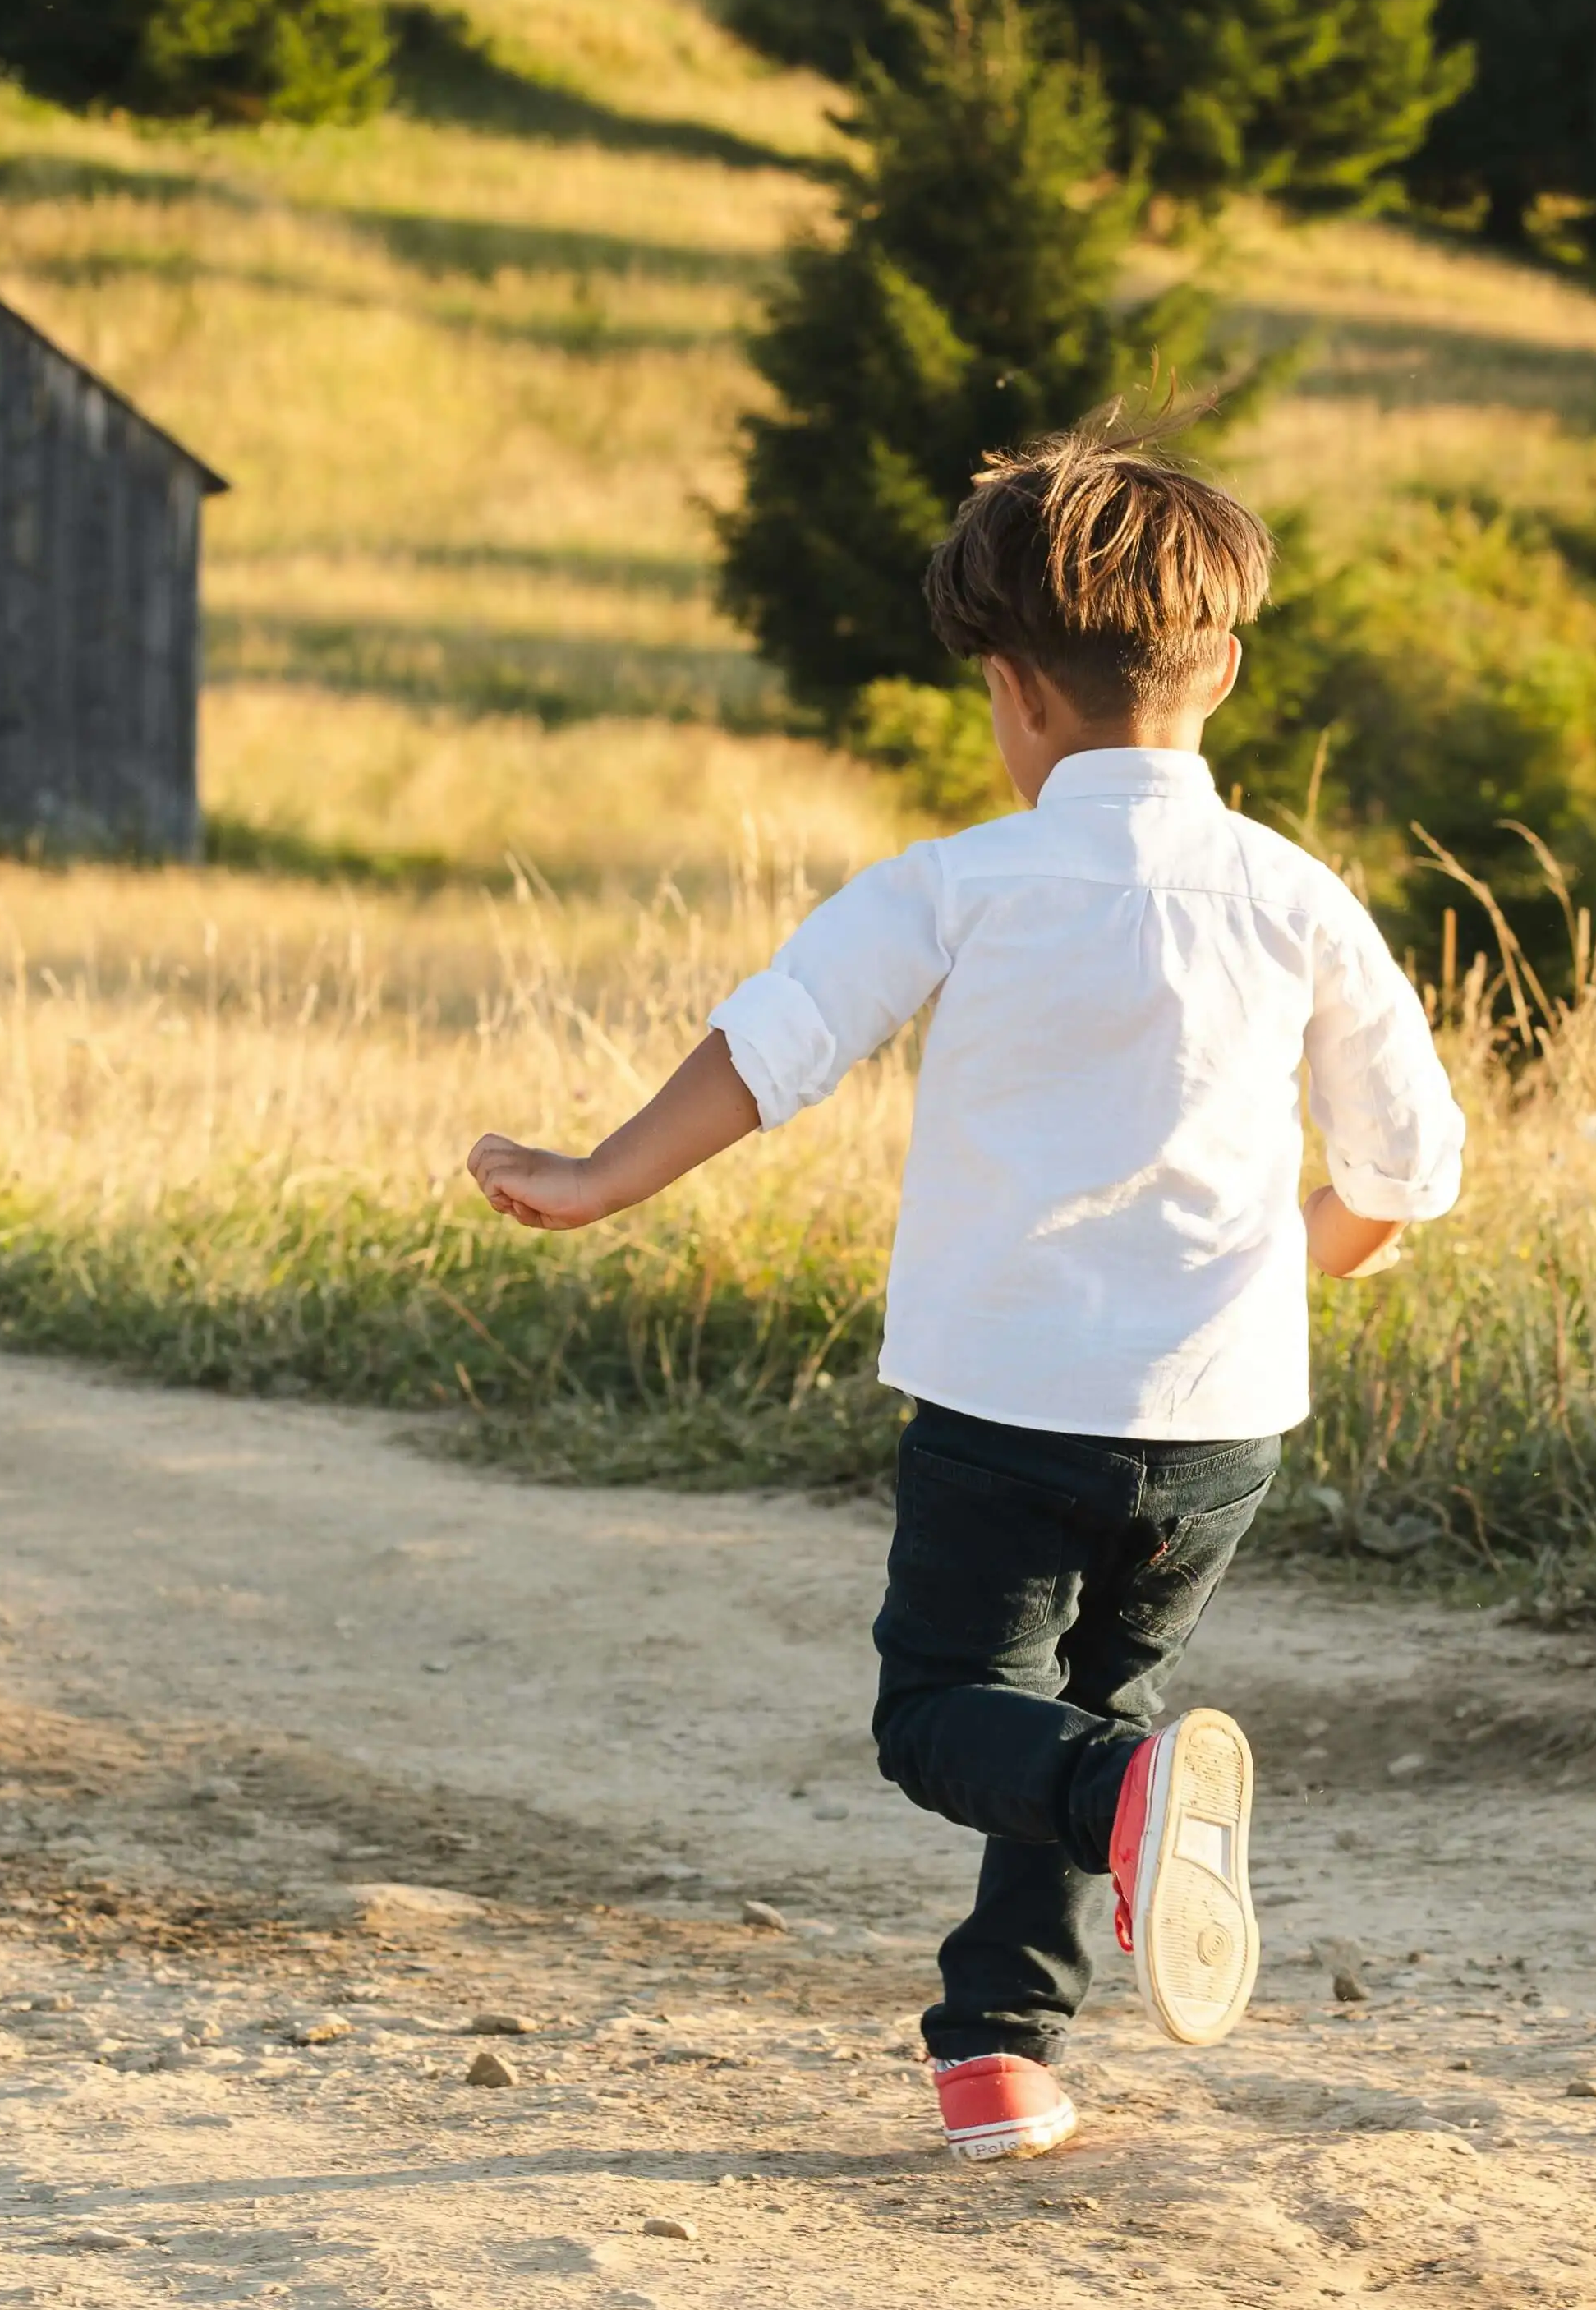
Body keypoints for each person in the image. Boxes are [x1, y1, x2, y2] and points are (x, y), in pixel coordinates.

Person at [467, 423, 1465, 2157]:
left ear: (1008, 693)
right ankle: (998, 2049)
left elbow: (774, 1046)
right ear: (1219, 669)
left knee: (948, 1719)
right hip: (1218, 1425)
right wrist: (1278, 1279)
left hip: (1004, 1408)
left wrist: (596, 1174)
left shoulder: (956, 884)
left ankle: (1112, 1824)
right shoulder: (1298, 900)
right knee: (1082, 1709)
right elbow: (1406, 1168)